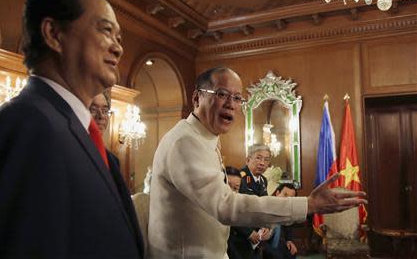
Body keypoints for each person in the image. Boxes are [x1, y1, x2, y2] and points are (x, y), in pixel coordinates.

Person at [0, 0, 143, 258]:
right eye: (105, 31)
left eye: (118, 37)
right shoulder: (25, 125)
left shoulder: (91, 143)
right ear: (54, 34)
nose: (118, 47)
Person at [148, 66, 367, 259]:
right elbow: (225, 206)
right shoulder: (186, 141)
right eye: (222, 94)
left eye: (237, 98)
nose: (231, 105)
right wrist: (309, 204)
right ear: (197, 98)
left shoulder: (205, 138)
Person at [228, 145, 272, 259]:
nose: (262, 163)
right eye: (258, 158)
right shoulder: (239, 177)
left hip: (258, 234)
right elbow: (233, 208)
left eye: (266, 160)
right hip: (239, 234)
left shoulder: (263, 180)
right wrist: (248, 232)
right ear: (248, 160)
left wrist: (266, 226)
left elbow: (265, 206)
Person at [263, 183, 299, 259]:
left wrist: (289, 241)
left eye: (291, 198)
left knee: (291, 253)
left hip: (277, 240)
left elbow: (288, 226)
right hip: (262, 240)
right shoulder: (266, 204)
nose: (287, 199)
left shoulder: (287, 210)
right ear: (277, 193)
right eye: (285, 195)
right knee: (276, 255)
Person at [90, 92, 120, 167]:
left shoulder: (113, 161)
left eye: (105, 111)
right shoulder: (74, 149)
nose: (101, 116)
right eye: (93, 110)